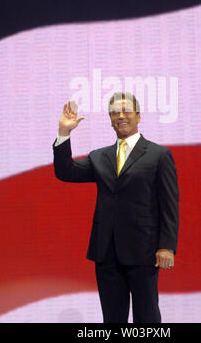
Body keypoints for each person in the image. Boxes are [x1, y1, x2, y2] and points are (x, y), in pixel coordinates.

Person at [53, 92, 179, 323]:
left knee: (147, 317)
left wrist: (167, 246)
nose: (120, 116)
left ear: (138, 116)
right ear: (110, 119)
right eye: (114, 113)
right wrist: (64, 133)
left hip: (144, 251)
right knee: (112, 319)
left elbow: (170, 204)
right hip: (106, 252)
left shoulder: (159, 155)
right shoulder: (99, 157)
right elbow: (65, 172)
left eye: (126, 111)